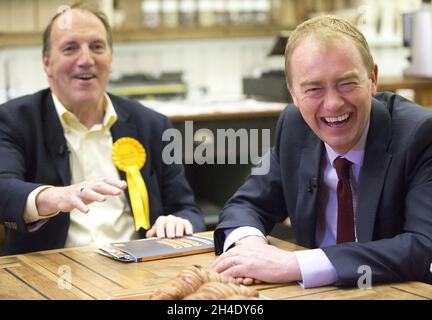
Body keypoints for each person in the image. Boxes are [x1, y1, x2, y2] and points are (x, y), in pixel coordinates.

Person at [210, 15, 432, 287]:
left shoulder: (420, 135)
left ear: (373, 78)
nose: (333, 104)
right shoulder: (294, 126)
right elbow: (247, 204)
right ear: (293, 92)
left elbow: (422, 247)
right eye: (314, 89)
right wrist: (250, 248)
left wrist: (294, 265)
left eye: (346, 83)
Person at [0, 3, 205, 255]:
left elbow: (188, 210)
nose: (86, 60)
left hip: (141, 272)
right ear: (47, 63)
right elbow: (3, 189)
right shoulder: (13, 120)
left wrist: (179, 222)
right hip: (53, 274)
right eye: (70, 48)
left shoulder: (153, 125)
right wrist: (54, 197)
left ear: (110, 57)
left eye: (97, 47)